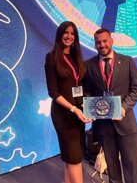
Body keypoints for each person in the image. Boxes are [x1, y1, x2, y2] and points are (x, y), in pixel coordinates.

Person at [84, 28, 137, 183]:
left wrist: (123, 108)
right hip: (104, 127)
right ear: (95, 44)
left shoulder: (128, 61)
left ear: (111, 41)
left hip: (125, 123)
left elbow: (136, 89)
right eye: (98, 42)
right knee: (112, 167)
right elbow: (87, 91)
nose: (102, 44)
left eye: (105, 41)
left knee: (130, 165)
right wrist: (91, 109)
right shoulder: (88, 65)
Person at [45, 21, 89, 183]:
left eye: (72, 33)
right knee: (74, 158)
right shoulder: (52, 58)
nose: (69, 36)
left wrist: (86, 108)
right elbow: (53, 92)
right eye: (66, 32)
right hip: (63, 114)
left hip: (78, 112)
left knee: (71, 157)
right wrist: (73, 109)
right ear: (60, 34)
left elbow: (81, 86)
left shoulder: (77, 57)